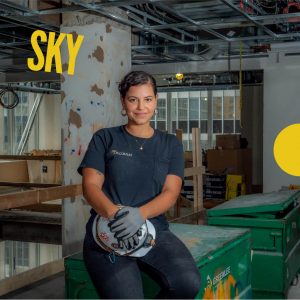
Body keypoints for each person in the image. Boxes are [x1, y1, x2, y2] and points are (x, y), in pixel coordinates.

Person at [78, 70, 201, 299]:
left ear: (155, 101)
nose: (140, 107)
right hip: (108, 232)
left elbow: (171, 191)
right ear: (123, 103)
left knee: (188, 283)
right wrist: (116, 215)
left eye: (147, 99)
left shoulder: (170, 144)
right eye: (133, 99)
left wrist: (140, 214)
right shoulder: (105, 138)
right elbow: (90, 186)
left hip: (154, 229)